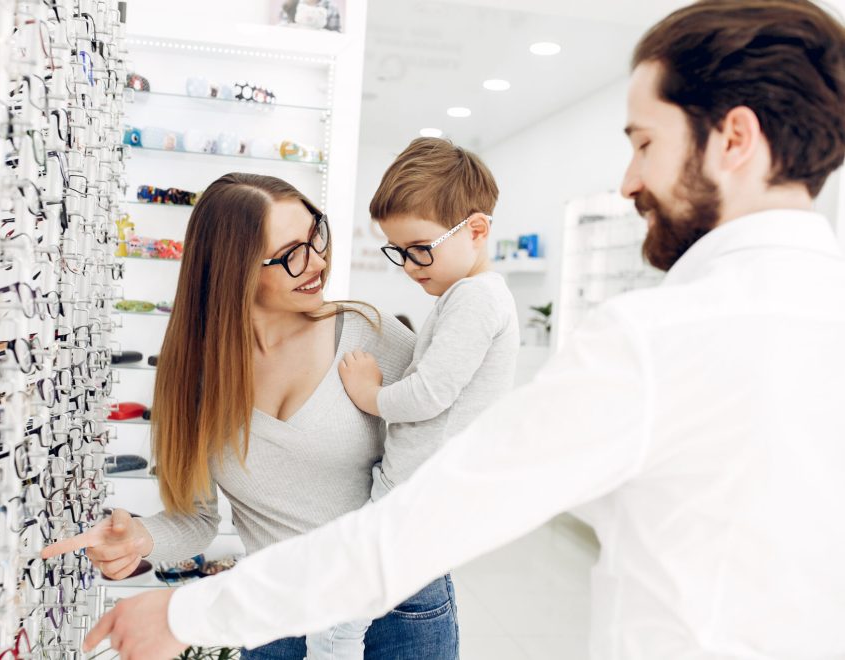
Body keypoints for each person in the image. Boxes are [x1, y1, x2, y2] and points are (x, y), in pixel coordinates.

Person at [81, 1, 845, 657]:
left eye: (644, 141)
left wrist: (185, 614)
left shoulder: (654, 338)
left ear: (735, 138)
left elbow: (420, 526)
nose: (627, 181)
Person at [42, 173, 460, 658]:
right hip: (274, 615)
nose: (317, 262)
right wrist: (139, 537)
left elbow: (447, 441)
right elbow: (197, 519)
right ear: (232, 268)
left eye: (316, 237)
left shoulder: (369, 333)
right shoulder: (195, 378)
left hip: (396, 608)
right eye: (289, 254)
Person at [307, 138, 520, 659]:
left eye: (420, 249)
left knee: (345, 610)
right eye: (397, 251)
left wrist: (371, 395)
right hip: (424, 485)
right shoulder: (471, 295)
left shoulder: (474, 297)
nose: (408, 265)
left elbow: (429, 394)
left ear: (476, 230)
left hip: (417, 487)